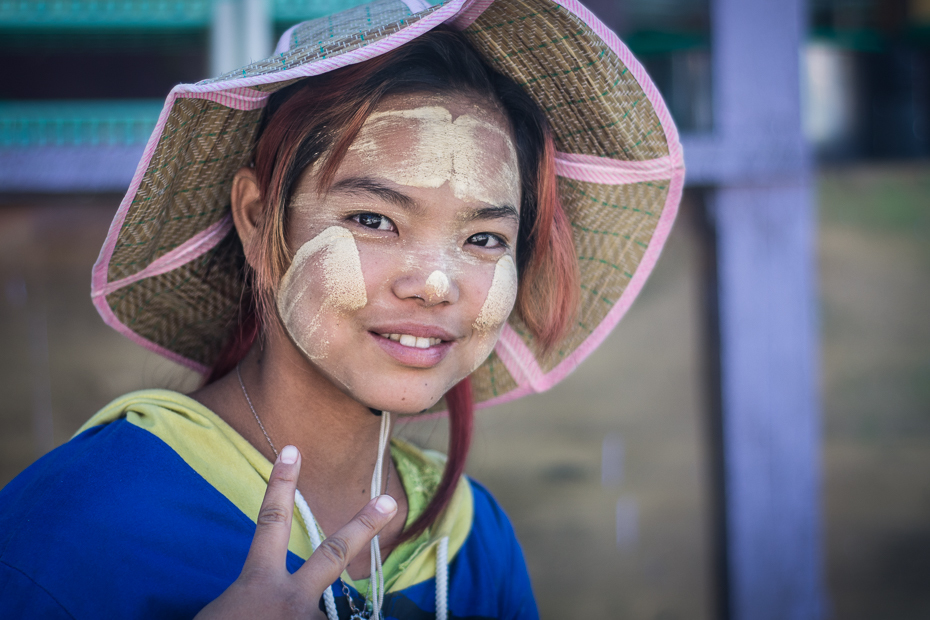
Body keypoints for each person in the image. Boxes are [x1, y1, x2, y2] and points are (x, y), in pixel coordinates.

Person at [0, 1, 684, 618]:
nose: (436, 284)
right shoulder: (80, 520)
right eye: (373, 218)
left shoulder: (474, 543)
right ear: (258, 221)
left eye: (483, 238)